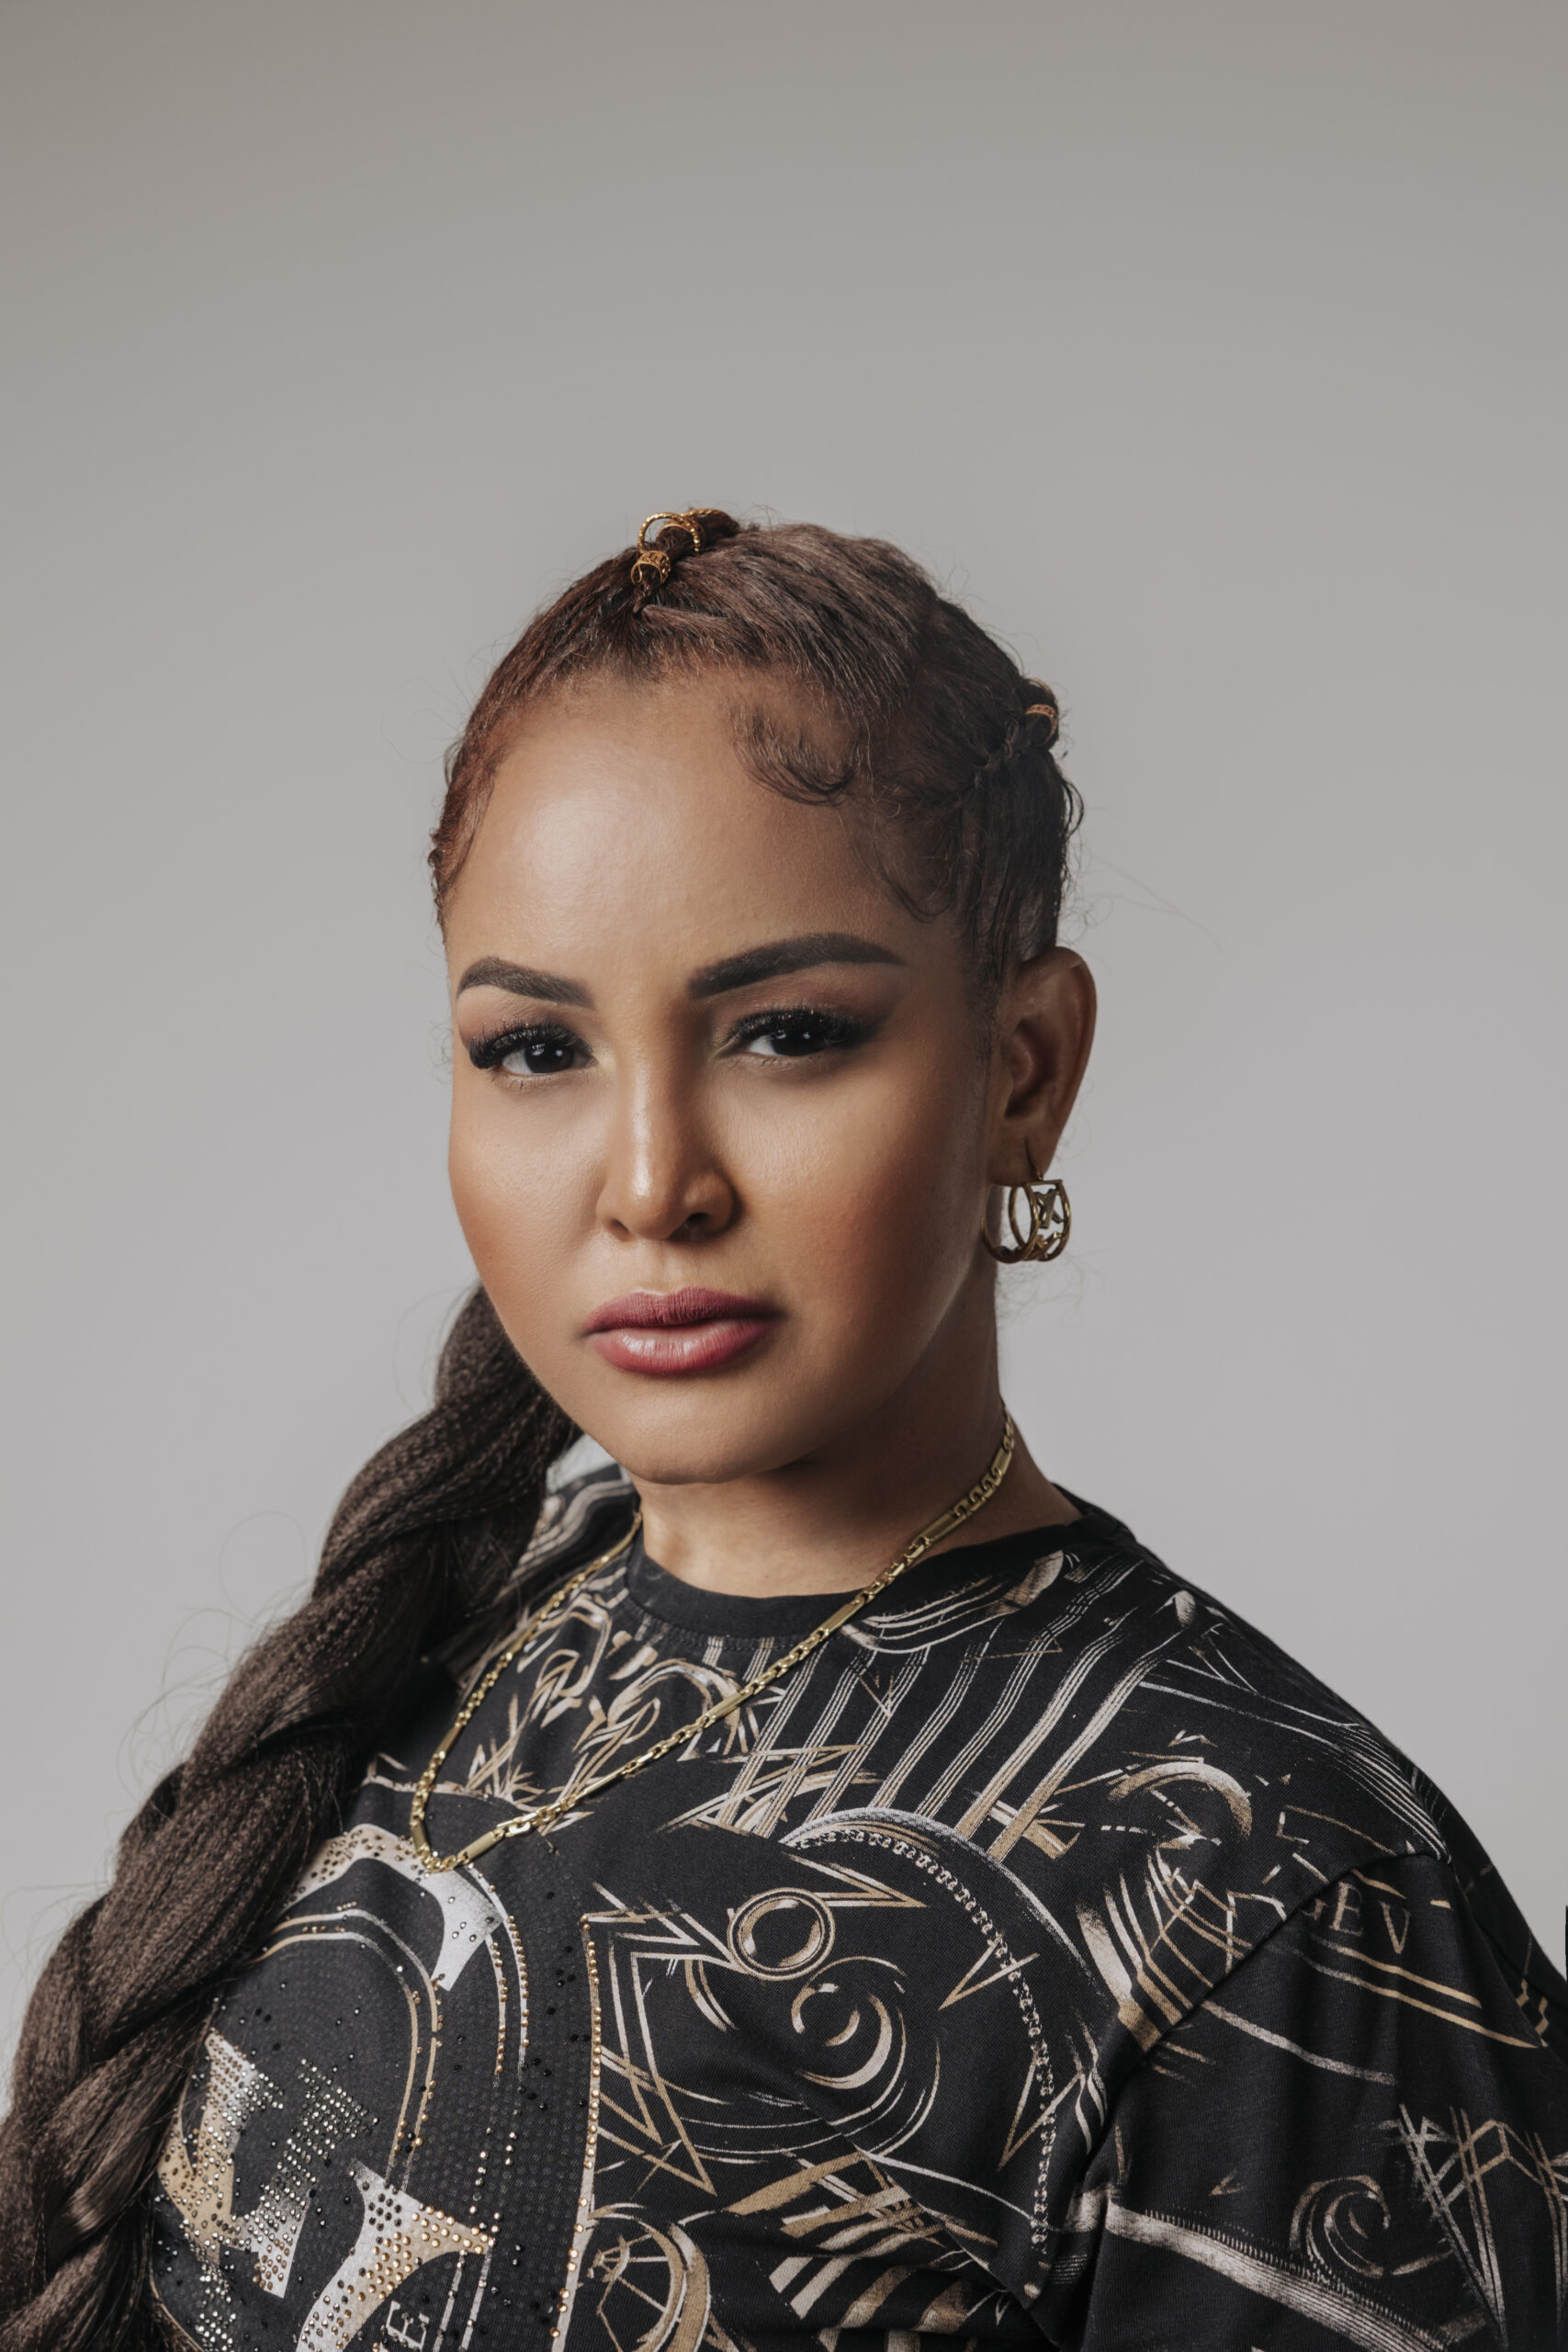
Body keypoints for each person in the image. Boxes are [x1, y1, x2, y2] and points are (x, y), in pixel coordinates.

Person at [2, 510, 1563, 2352]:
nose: (650, 1180)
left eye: (787, 1031)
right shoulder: (440, 1644)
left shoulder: (1275, 1893)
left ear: (1025, 1070)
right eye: (535, 1049)